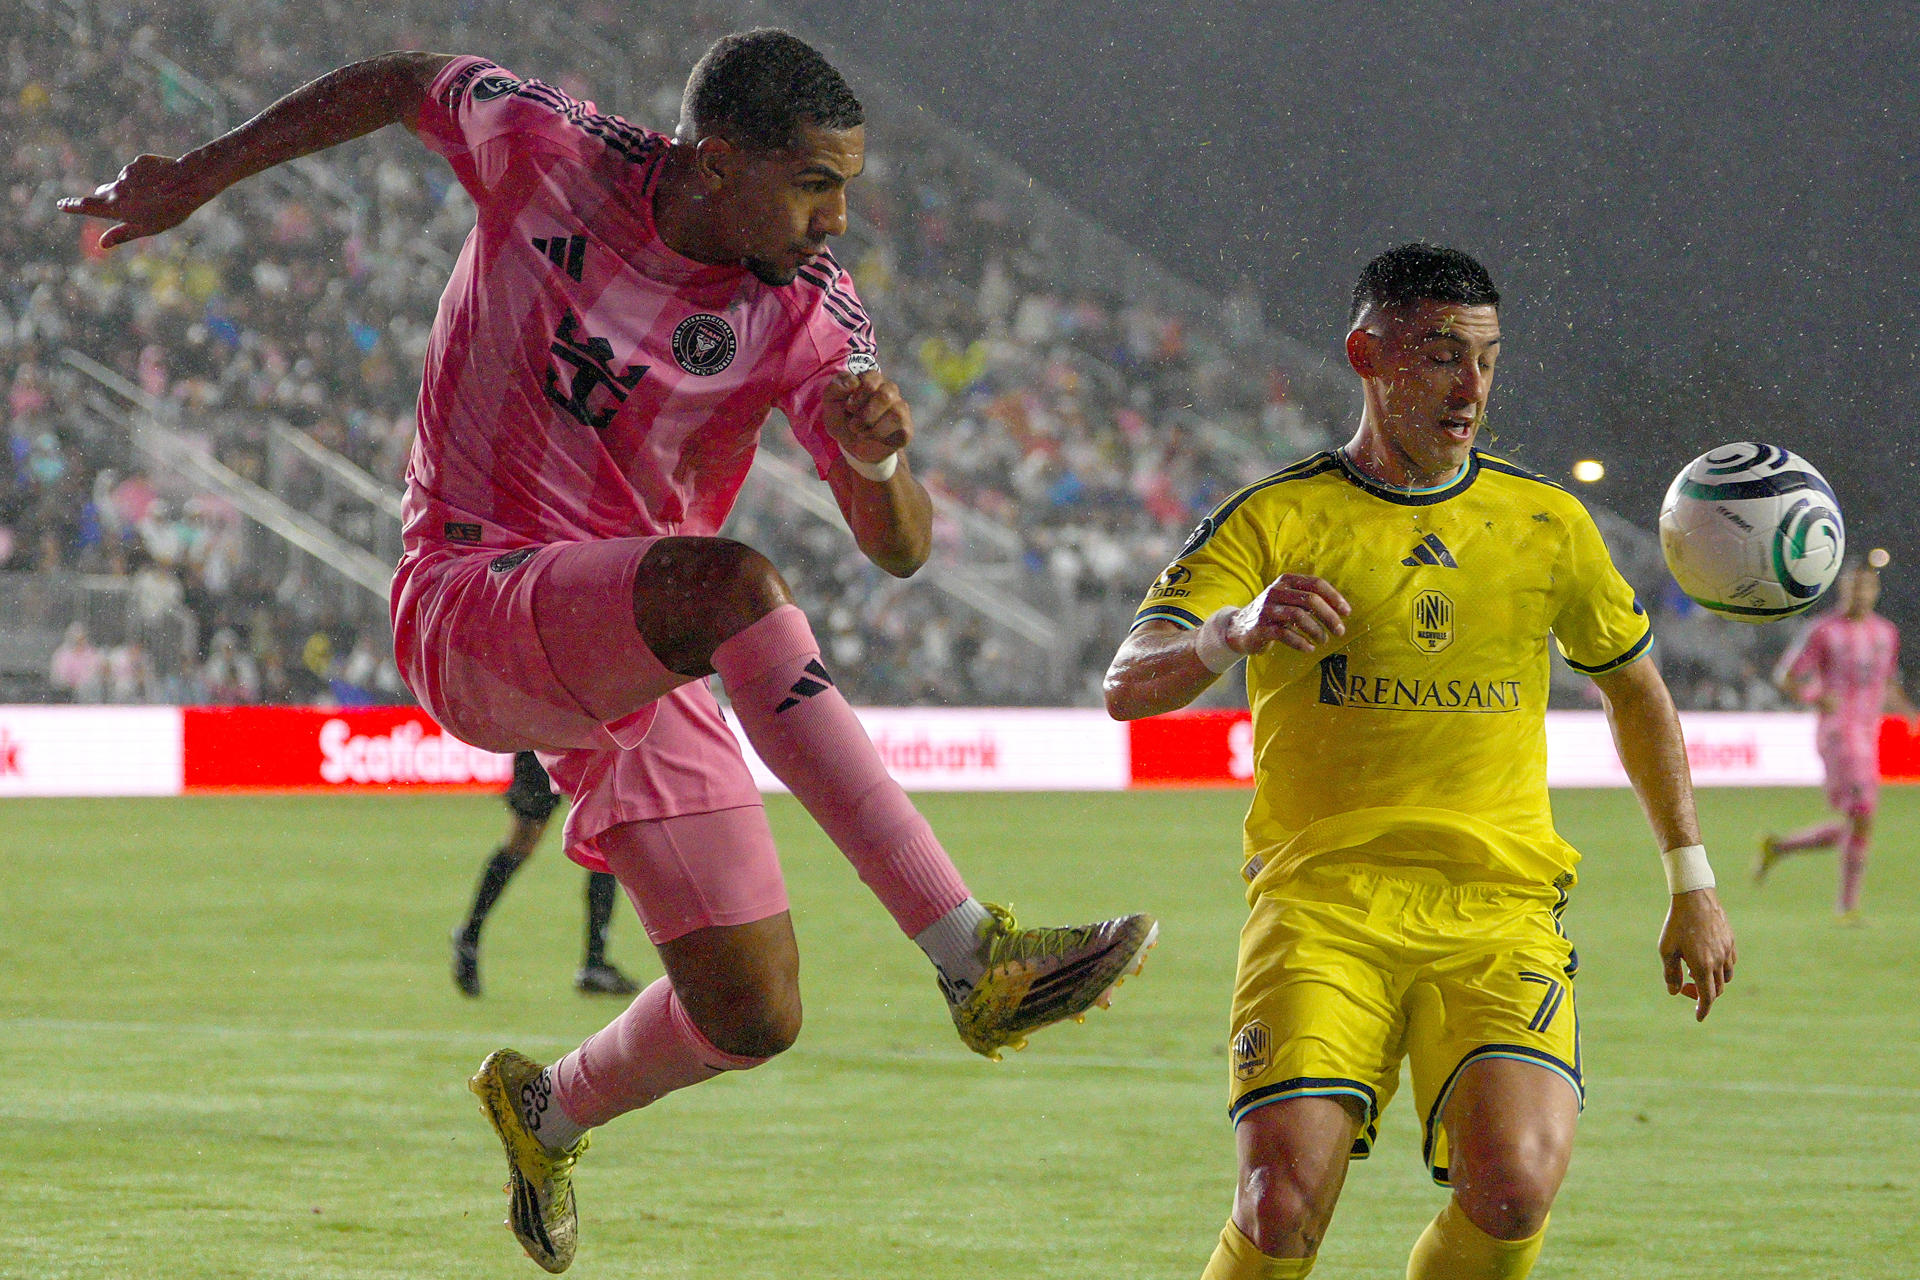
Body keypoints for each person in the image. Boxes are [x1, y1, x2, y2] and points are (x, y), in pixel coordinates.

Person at [62, 30, 1156, 1273]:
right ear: (717, 161)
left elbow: (898, 547)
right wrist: (199, 175)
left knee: (753, 1011)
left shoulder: (809, 308)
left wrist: (881, 459)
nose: (837, 218)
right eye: (813, 183)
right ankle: (970, 953)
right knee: (734, 579)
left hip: (643, 636)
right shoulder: (549, 149)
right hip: (471, 591)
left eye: (845, 186)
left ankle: (550, 1106)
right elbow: (399, 77)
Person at [1104, 243, 1736, 1280]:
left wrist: (1692, 878)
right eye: (1442, 355)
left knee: (1515, 1184)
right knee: (1278, 1206)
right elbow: (1128, 682)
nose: (1472, 387)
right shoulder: (1278, 516)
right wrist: (1235, 628)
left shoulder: (1548, 524)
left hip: (1499, 911)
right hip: (1322, 909)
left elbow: (1636, 690)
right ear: (1366, 353)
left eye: (1487, 357)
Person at [1756, 557, 1916, 921]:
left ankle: (1781, 846)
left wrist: (1909, 713)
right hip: (1837, 732)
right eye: (1852, 586)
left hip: (1867, 731)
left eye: (1866, 586)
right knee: (1862, 815)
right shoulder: (1823, 631)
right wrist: (1817, 696)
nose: (1859, 593)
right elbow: (1786, 676)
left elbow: (1886, 682)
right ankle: (1847, 905)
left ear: (1875, 591)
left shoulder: (1886, 632)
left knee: (1858, 822)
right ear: (1842, 589)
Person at [453, 751, 641, 998]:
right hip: (545, 739)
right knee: (524, 840)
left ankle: (594, 963)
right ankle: (470, 934)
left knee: (604, 835)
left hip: (584, 739)